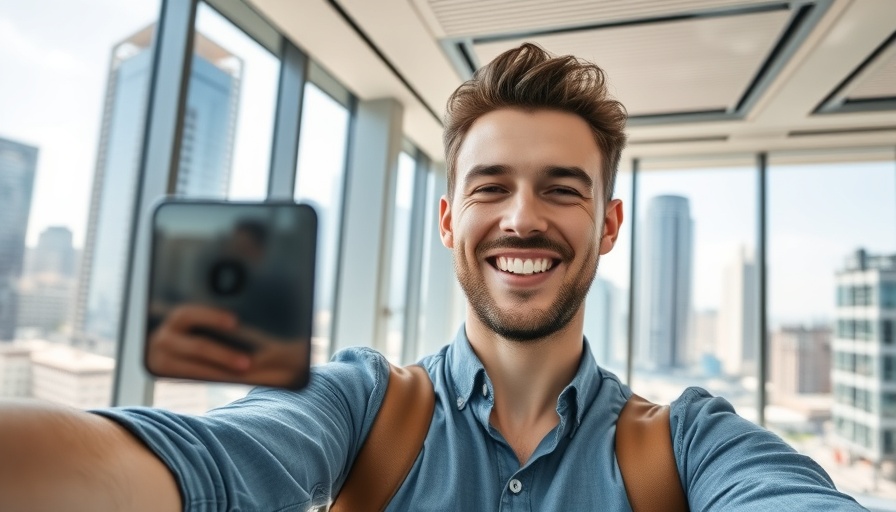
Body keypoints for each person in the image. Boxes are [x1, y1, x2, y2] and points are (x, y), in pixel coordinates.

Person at [0, 43, 867, 511]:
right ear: (451, 221)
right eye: (491, 187)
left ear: (607, 226)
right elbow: (198, 467)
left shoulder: (688, 444)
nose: (522, 217)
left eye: (561, 190)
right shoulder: (358, 405)